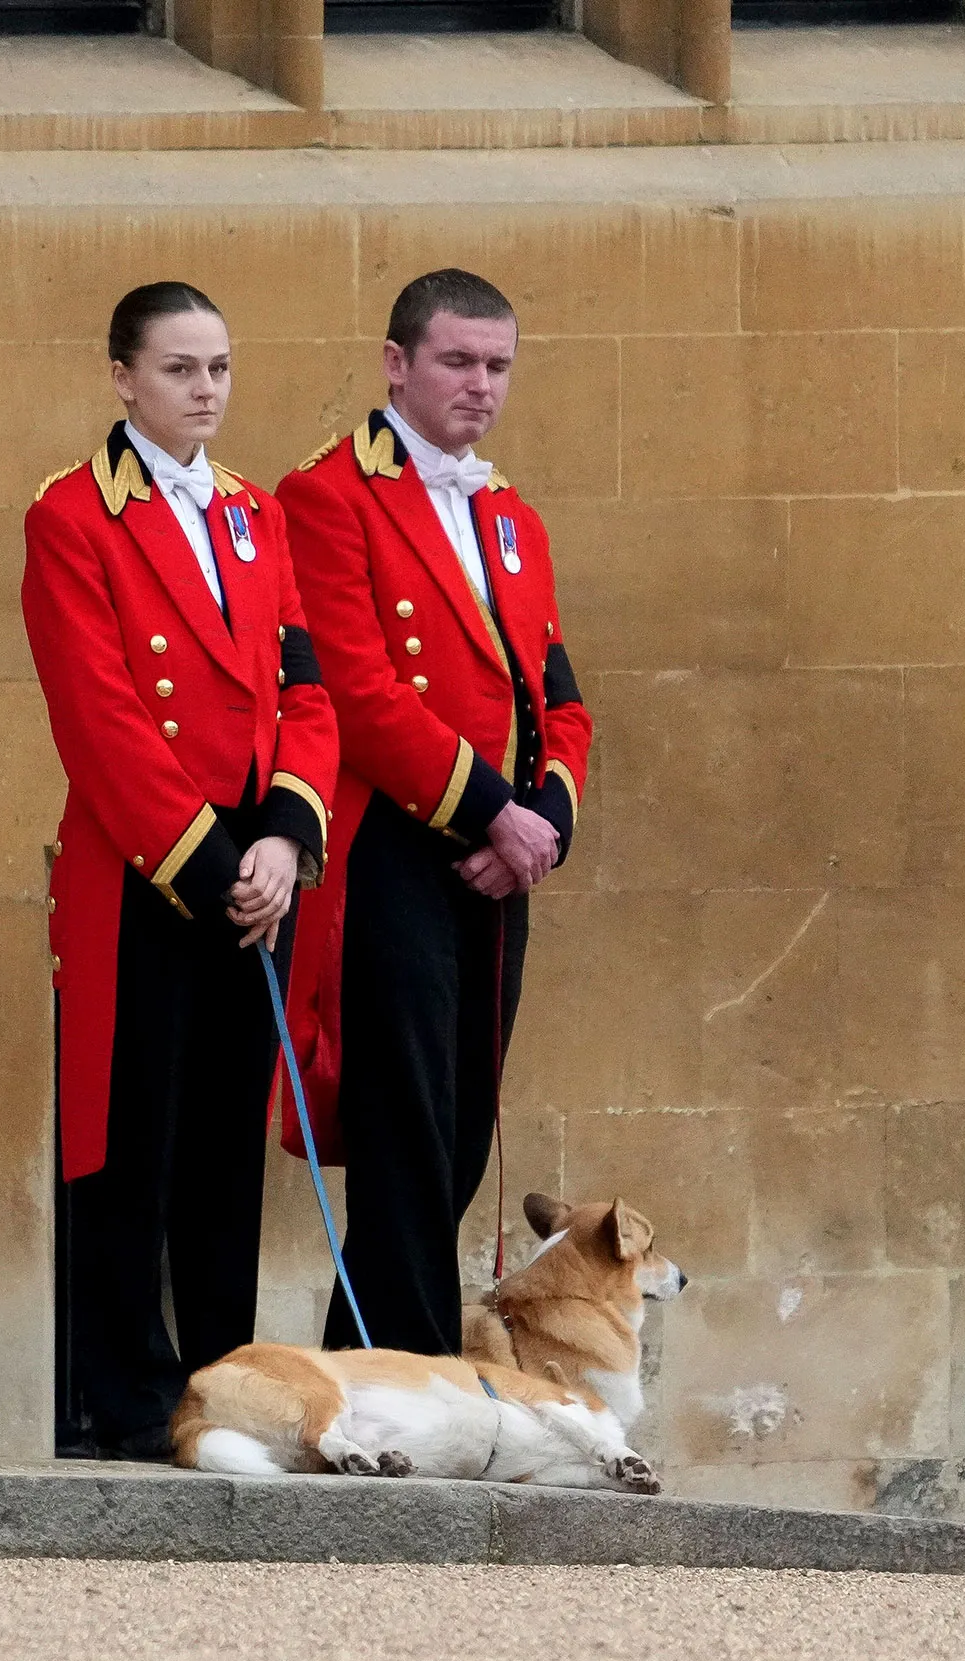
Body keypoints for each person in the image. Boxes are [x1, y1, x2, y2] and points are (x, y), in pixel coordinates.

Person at [24, 281, 339, 1461]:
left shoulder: (257, 515)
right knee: (130, 1150)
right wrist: (216, 865)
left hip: (254, 875)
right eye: (179, 368)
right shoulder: (72, 515)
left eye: (217, 368)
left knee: (220, 1155)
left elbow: (304, 690)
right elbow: (98, 718)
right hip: (144, 885)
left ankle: (222, 1392)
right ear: (122, 378)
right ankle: (122, 1402)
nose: (204, 389)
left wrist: (283, 837)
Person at [277, 269, 592, 1356]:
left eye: (497, 365)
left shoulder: (508, 514)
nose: (480, 386)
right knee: (405, 1129)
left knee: (459, 1131)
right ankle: (408, 1368)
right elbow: (356, 692)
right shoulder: (326, 494)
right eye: (457, 361)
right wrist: (493, 812)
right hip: (397, 852)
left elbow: (553, 688)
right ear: (397, 364)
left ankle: (366, 1369)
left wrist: (543, 817)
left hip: (500, 862)